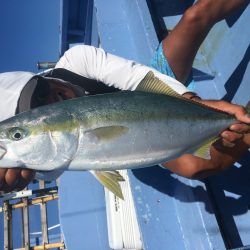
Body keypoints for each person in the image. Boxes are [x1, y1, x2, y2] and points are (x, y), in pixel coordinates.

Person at [0, 0, 249, 193]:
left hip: (155, 94)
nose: (51, 102)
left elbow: (139, 78)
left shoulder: (76, 60)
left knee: (195, 16)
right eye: (35, 106)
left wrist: (193, 103)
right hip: (140, 145)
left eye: (40, 91)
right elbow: (44, 164)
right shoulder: (39, 157)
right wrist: (16, 174)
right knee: (196, 167)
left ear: (39, 76)